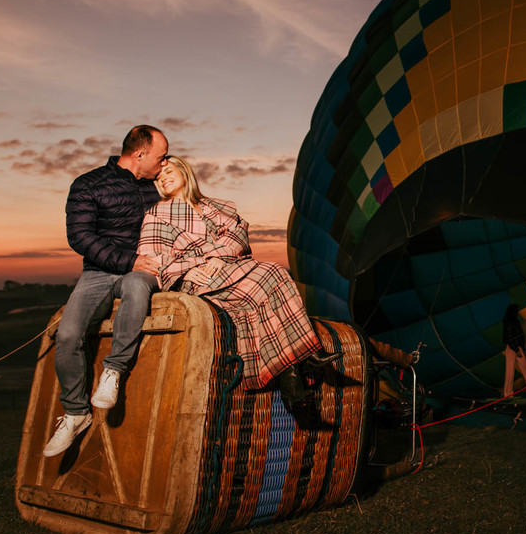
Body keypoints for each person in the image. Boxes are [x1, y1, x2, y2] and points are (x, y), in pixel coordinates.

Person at [137, 156, 333, 395]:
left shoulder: (216, 206)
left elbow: (238, 236)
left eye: (168, 172)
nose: (163, 179)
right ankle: (310, 353)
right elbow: (151, 258)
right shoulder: (156, 215)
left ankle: (291, 380)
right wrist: (189, 270)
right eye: (158, 178)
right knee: (272, 271)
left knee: (257, 302)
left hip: (226, 269)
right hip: (197, 280)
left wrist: (219, 257)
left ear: (184, 171)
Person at [44, 125, 169, 458]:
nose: (164, 162)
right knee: (69, 335)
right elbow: (81, 237)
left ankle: (113, 371)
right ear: (140, 154)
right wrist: (130, 260)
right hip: (100, 271)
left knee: (136, 289)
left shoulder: (158, 187)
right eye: (160, 156)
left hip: (140, 272)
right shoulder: (88, 184)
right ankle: (75, 413)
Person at [501, 303, 526, 398]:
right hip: (512, 348)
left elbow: (519, 336)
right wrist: (516, 350)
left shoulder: (515, 321)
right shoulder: (509, 322)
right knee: (510, 371)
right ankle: (508, 393)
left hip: (518, 347)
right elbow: (510, 337)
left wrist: (522, 347)